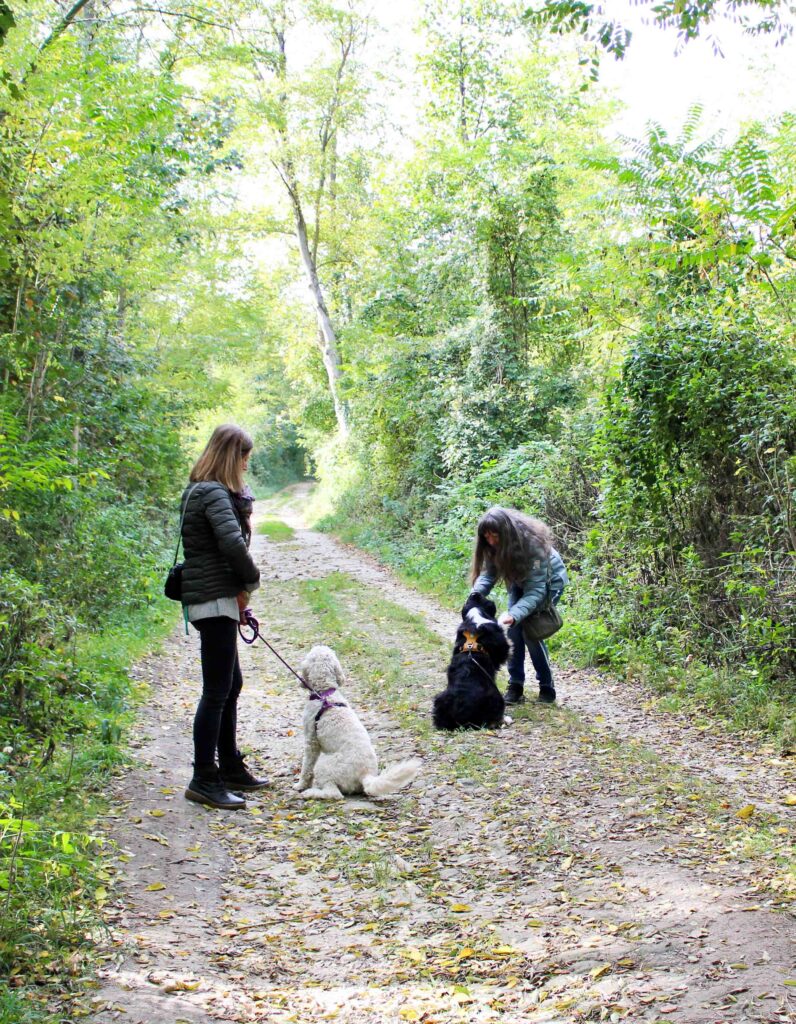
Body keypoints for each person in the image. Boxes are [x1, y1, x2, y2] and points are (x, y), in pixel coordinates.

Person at [180, 424, 266, 810]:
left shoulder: (201, 491)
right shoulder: (213, 492)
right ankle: (203, 778)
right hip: (213, 599)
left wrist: (241, 602)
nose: (246, 466)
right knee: (217, 690)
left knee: (230, 685)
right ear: (232, 456)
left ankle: (229, 765)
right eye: (245, 458)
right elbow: (231, 543)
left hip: (218, 599)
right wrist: (251, 578)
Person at [470, 507, 567, 705]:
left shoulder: (534, 546)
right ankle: (516, 685)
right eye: (486, 536)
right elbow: (488, 574)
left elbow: (536, 590)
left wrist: (515, 614)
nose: (490, 541)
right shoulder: (493, 545)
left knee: (532, 633)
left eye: (494, 535)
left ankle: (547, 688)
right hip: (520, 581)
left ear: (505, 532)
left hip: (548, 583)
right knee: (512, 632)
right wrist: (475, 596)